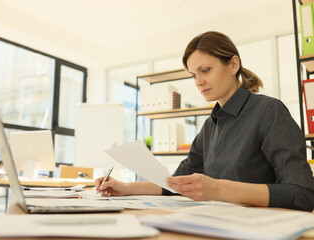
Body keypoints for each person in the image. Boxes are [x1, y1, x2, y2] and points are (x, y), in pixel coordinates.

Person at [95, 31, 314, 211]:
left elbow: (303, 193)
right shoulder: (211, 125)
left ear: (233, 64)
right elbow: (174, 183)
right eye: (193, 75)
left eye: (205, 70)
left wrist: (219, 189)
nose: (199, 82)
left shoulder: (268, 111)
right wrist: (125, 187)